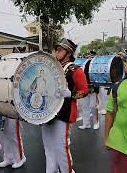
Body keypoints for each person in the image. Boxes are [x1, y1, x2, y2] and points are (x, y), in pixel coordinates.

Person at [42, 38, 88, 173]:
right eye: (56, 49)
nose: (56, 52)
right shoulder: (52, 67)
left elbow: (84, 91)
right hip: (48, 111)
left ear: (68, 53)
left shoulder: (75, 69)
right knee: (48, 146)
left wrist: (71, 94)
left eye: (59, 50)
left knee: (61, 148)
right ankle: (50, 170)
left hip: (64, 112)